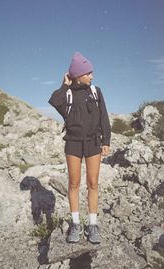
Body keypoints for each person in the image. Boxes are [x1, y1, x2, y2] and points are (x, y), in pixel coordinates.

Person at [49, 52, 111, 244]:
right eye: (88, 73)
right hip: (73, 143)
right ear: (78, 75)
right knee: (74, 183)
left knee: (93, 183)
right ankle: (75, 224)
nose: (91, 76)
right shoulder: (66, 93)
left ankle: (93, 225)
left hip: (93, 142)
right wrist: (65, 84)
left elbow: (104, 118)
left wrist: (106, 141)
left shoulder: (96, 91)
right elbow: (54, 101)